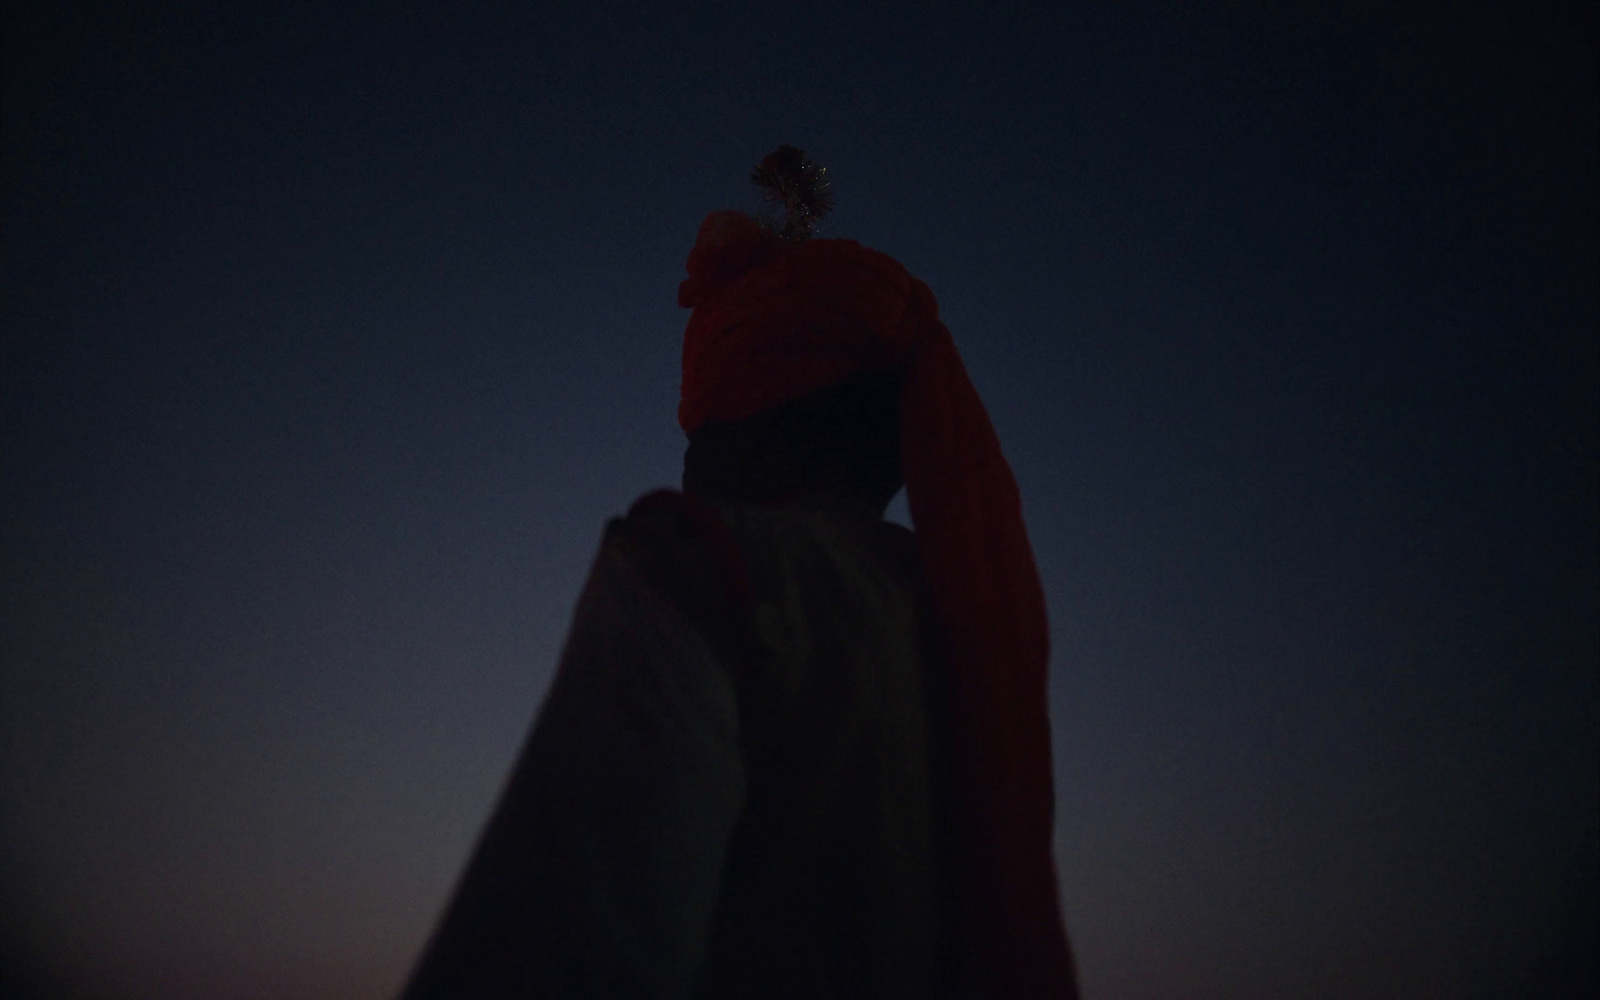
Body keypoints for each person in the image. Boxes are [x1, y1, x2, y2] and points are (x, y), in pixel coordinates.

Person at [400, 147, 1077, 999]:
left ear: (776, 424)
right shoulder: (971, 644)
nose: (693, 465)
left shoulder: (700, 565)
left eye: (709, 431)